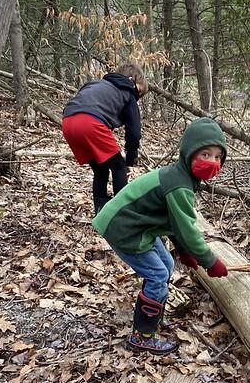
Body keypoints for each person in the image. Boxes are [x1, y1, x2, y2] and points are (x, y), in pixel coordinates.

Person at [92, 117, 229, 354]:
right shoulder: (179, 184)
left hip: (136, 225)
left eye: (218, 157)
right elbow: (187, 228)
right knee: (157, 275)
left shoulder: (180, 177)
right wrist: (210, 261)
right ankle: (142, 335)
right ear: (189, 152)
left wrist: (185, 253)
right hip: (125, 228)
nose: (212, 162)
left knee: (166, 263)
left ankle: (153, 316)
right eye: (205, 154)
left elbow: (173, 222)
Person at [62, 63, 149, 214]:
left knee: (101, 169)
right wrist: (130, 161)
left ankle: (101, 212)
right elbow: (134, 133)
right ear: (131, 79)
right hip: (90, 122)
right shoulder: (128, 92)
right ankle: (123, 214)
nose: (137, 97)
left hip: (68, 122)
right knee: (119, 167)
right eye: (139, 91)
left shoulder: (94, 83)